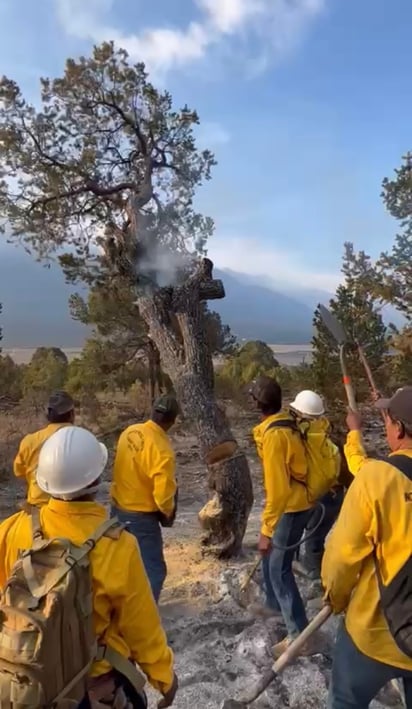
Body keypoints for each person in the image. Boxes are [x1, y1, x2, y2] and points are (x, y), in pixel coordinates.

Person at [0, 425, 178, 709]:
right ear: (96, 478)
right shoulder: (118, 546)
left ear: (44, 479)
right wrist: (164, 679)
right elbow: (142, 629)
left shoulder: (13, 529)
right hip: (89, 690)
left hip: (23, 685)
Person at [322, 386, 412, 708]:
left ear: (399, 429)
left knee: (344, 699)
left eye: (387, 421)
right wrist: (355, 435)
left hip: (373, 634)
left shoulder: (376, 479)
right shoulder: (377, 475)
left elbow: (342, 557)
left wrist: (336, 597)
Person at [250, 376, 313, 657]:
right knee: (274, 561)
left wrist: (266, 530)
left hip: (290, 507)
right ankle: (274, 603)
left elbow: (278, 491)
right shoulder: (286, 422)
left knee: (279, 569)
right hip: (298, 503)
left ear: (256, 403)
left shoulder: (274, 436)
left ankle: (299, 635)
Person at [111, 395, 179, 603]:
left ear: (152, 412)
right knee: (154, 572)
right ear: (172, 421)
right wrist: (167, 512)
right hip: (142, 519)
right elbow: (163, 496)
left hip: (116, 512)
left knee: (121, 567)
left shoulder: (129, 433)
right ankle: (143, 622)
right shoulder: (162, 450)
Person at [288, 390, 344, 581]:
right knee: (315, 538)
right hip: (334, 494)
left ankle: (313, 578)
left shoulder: (299, 437)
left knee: (295, 531)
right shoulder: (330, 433)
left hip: (311, 496)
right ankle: (315, 571)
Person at [13, 390, 75, 506]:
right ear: (72, 414)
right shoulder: (82, 440)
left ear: (48, 415)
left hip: (38, 509)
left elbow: (19, 472)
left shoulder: (30, 441)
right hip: (72, 509)